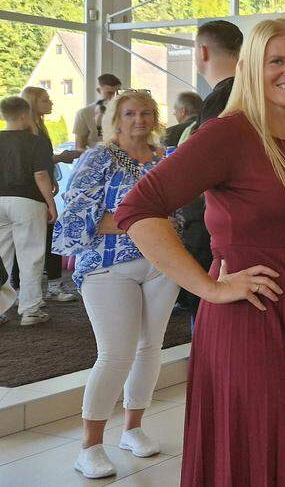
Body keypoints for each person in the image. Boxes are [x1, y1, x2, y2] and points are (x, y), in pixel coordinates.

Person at [118, 18, 285, 487]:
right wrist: (208, 286)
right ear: (250, 69)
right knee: (276, 448)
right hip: (254, 316)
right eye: (278, 61)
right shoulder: (230, 134)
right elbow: (138, 210)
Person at [52, 90, 179, 479]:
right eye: (129, 113)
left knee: (149, 348)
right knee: (115, 354)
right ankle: (89, 447)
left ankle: (133, 428)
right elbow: (74, 216)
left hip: (161, 263)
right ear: (115, 119)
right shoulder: (99, 158)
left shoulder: (168, 158)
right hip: (107, 266)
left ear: (156, 118)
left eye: (146, 112)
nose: (139, 119)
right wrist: (141, 223)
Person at [175, 19, 243, 319]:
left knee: (207, 309)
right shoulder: (248, 93)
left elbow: (207, 166)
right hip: (238, 221)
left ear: (202, 51)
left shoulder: (221, 99)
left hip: (216, 221)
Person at [0, 96, 57, 327]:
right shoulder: (36, 142)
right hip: (28, 201)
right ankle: (30, 309)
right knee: (31, 255)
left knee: (1, 258)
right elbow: (41, 175)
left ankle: (1, 309)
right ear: (25, 115)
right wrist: (51, 203)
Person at [21, 85, 80, 303]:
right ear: (34, 103)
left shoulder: (39, 127)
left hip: (39, 189)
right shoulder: (29, 131)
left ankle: (45, 285)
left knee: (45, 236)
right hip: (33, 192)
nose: (51, 102)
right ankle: (47, 286)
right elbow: (35, 163)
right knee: (44, 237)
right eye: (45, 99)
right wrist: (61, 158)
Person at [73, 74, 121, 149]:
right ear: (99, 91)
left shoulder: (128, 113)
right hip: (95, 157)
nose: (115, 97)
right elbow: (79, 147)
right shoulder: (84, 114)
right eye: (110, 93)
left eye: (118, 93)